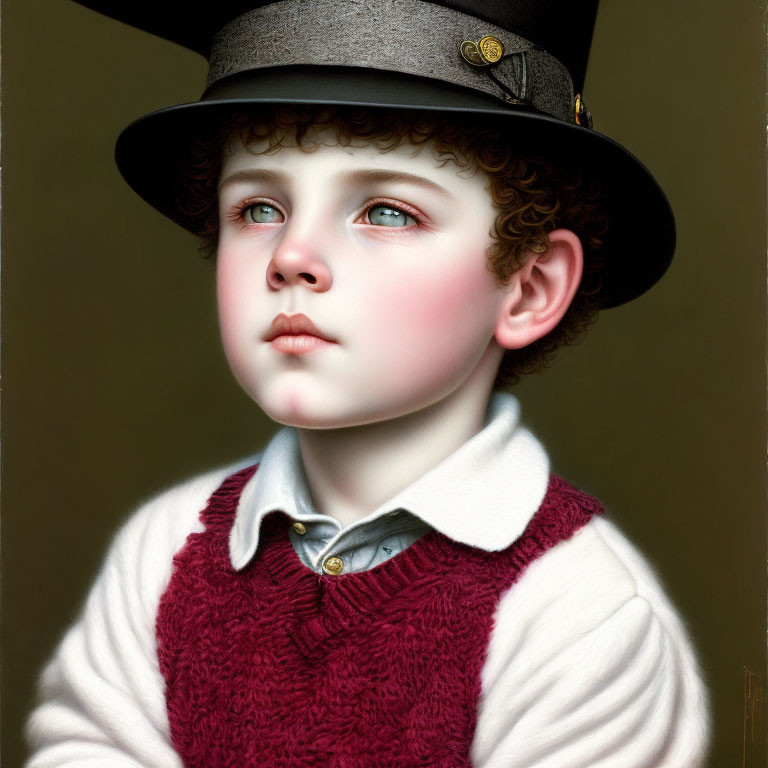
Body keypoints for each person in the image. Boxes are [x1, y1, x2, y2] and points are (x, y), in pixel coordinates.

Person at [25, 1, 710, 765]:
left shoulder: (580, 613)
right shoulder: (163, 550)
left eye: (386, 211)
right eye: (258, 207)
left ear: (528, 287)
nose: (292, 256)